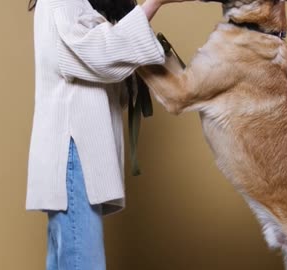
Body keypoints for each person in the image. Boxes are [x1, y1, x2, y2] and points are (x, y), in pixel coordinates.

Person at [25, 0, 188, 269]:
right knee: (81, 262)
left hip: (76, 154)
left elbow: (102, 75)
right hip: (73, 152)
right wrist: (153, 5)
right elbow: (97, 55)